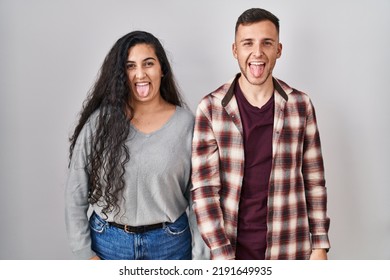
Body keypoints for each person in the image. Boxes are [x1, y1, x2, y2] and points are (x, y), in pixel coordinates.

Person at [191, 8, 330, 260]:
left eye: (267, 43)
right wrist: (223, 257)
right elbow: (204, 191)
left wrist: (319, 244)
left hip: (290, 247)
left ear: (278, 49)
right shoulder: (211, 108)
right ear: (235, 50)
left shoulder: (301, 105)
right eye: (248, 43)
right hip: (230, 250)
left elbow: (314, 180)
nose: (258, 52)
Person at [65, 30, 200, 260]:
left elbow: (200, 202)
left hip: (171, 245)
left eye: (148, 63)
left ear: (162, 69)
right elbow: (75, 192)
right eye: (130, 66)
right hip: (107, 244)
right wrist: (83, 255)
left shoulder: (187, 125)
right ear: (120, 73)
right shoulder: (100, 122)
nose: (140, 74)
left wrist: (200, 261)